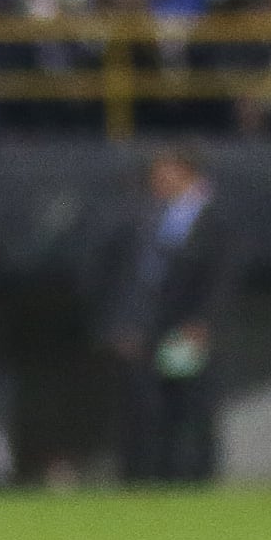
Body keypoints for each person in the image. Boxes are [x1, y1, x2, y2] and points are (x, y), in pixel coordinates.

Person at [102, 152, 231, 485]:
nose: (158, 181)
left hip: (186, 329)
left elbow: (221, 276)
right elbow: (128, 276)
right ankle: (149, 479)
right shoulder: (146, 217)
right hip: (147, 329)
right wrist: (125, 324)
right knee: (146, 407)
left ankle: (193, 478)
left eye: (166, 173)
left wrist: (202, 321)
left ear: (186, 173)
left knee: (189, 404)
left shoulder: (215, 219)